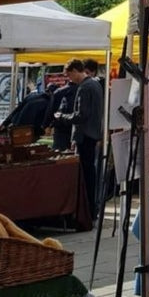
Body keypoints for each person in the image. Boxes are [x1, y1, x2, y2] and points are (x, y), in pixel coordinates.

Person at [55, 58, 104, 215]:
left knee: (86, 174)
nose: (70, 79)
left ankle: (87, 210)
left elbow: (81, 115)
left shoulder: (85, 87)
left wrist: (62, 117)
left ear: (75, 71)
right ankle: (91, 208)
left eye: (69, 75)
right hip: (93, 134)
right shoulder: (96, 85)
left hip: (85, 136)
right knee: (90, 173)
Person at [47, 72, 77, 152]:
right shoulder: (84, 90)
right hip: (77, 130)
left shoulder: (59, 92)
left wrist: (48, 125)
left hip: (61, 129)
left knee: (59, 155)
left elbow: (51, 111)